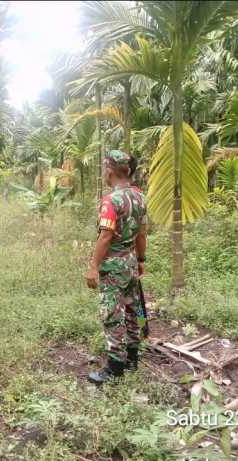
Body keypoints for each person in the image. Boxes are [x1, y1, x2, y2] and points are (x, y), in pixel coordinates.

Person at [86, 150, 147, 384]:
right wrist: (141, 260)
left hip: (113, 266)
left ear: (109, 171)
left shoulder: (111, 201)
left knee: (112, 314)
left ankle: (115, 367)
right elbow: (142, 233)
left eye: (104, 168)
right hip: (131, 263)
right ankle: (132, 357)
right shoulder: (139, 197)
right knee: (132, 310)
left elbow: (105, 237)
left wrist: (93, 267)